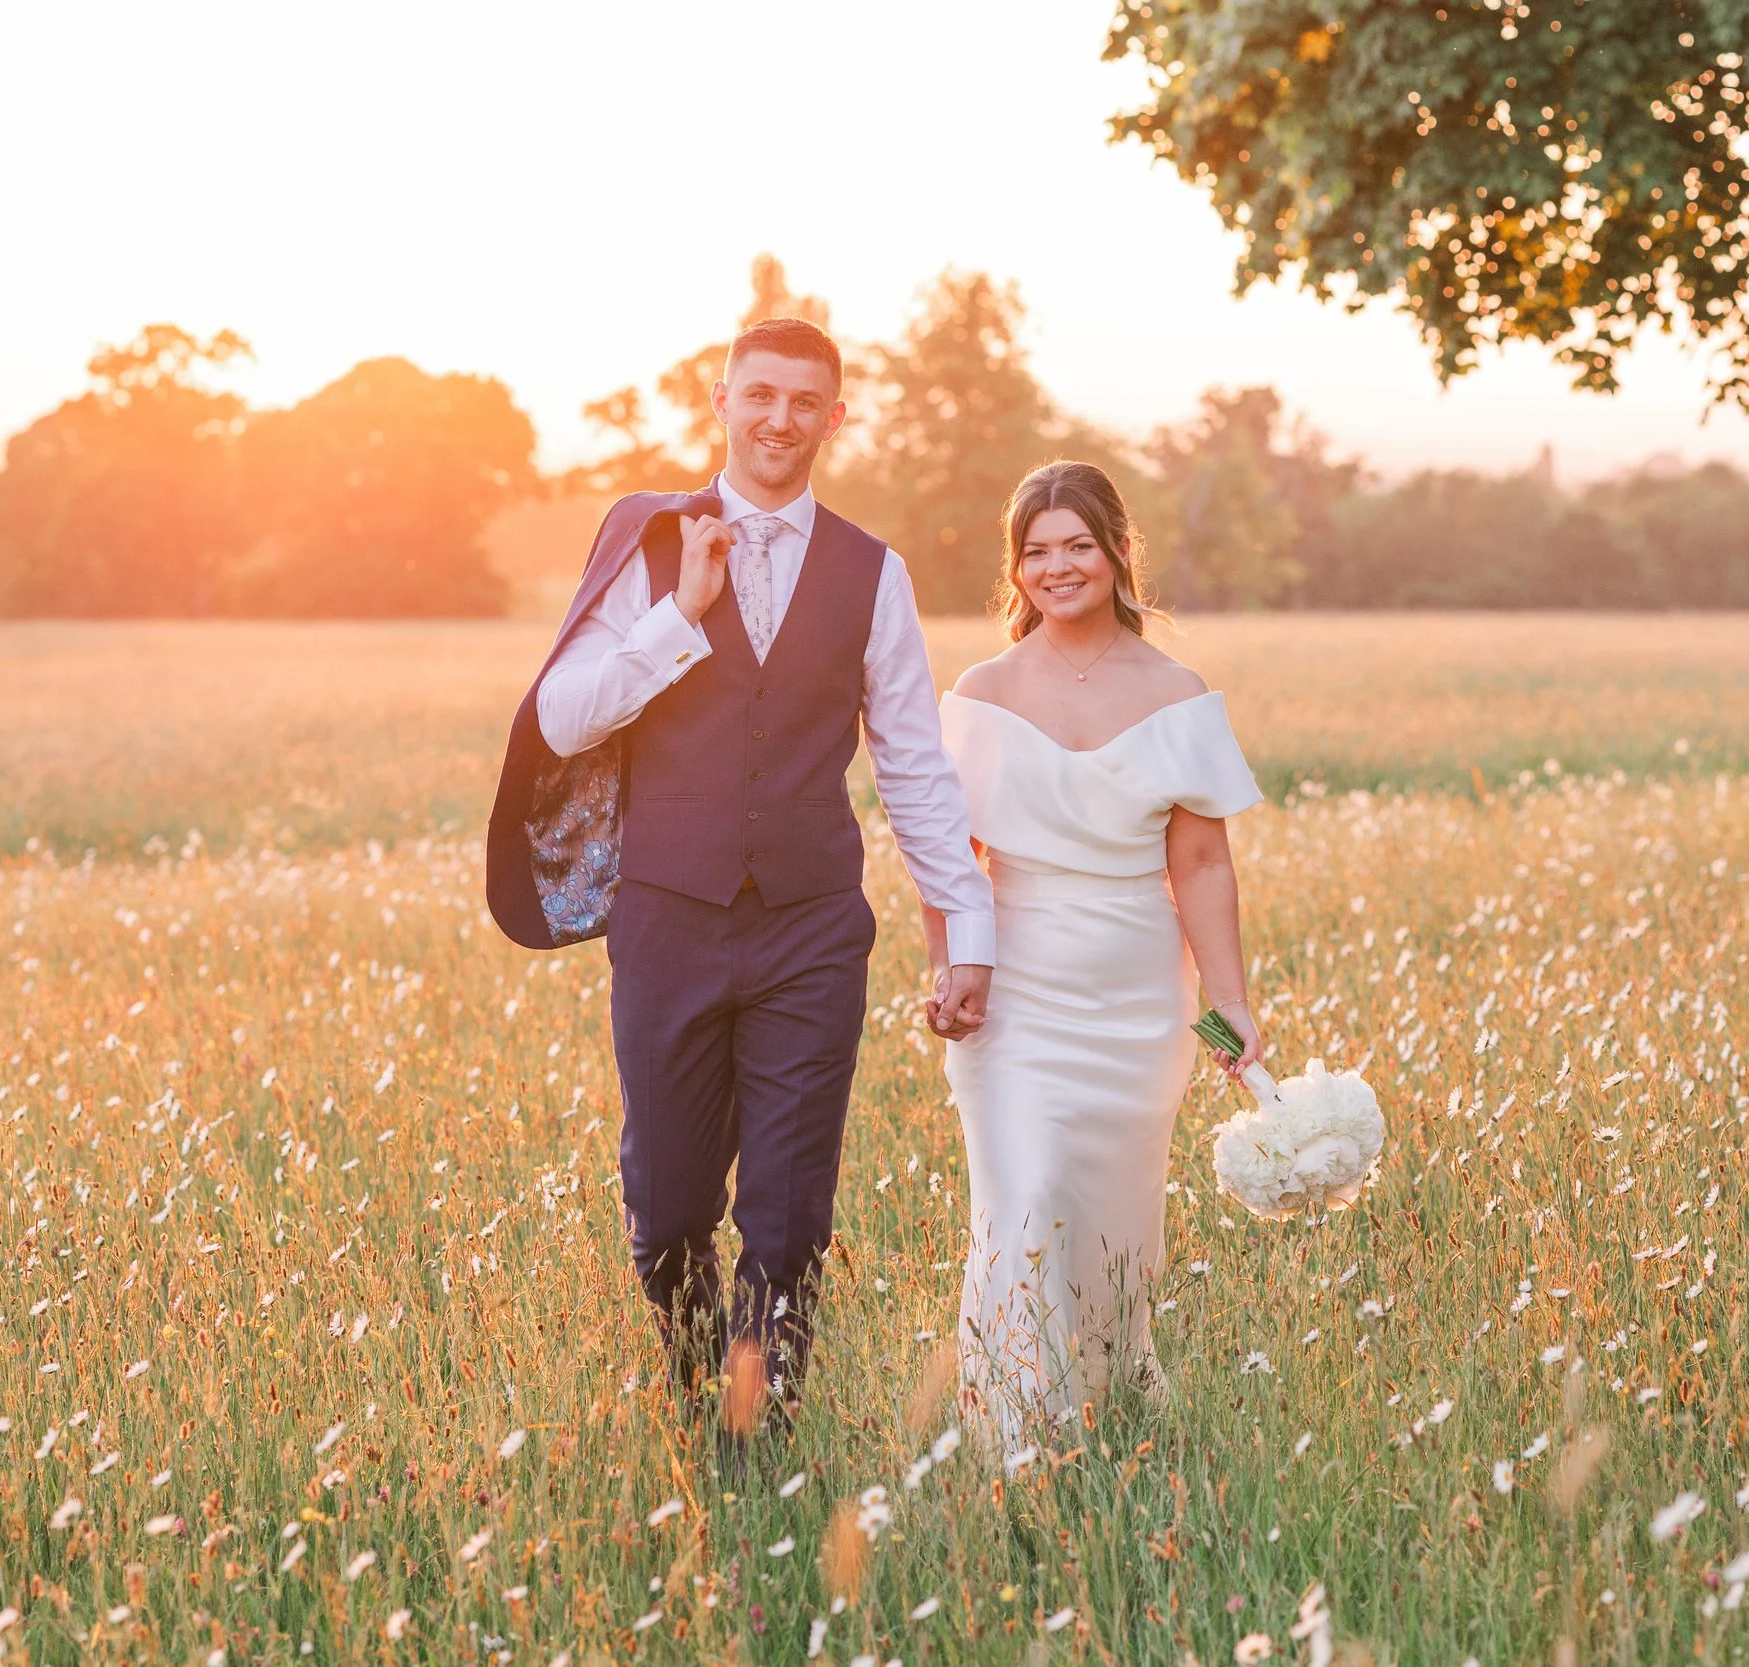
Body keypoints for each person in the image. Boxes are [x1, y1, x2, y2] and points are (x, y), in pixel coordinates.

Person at [484, 317, 996, 1433]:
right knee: (667, 1205)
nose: (779, 419)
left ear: (834, 416)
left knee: (789, 1209)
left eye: (804, 401)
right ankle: (693, 1379)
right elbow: (563, 717)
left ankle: (757, 1427)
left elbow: (912, 765)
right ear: (719, 400)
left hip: (812, 927)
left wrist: (969, 934)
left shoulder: (873, 571)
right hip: (668, 920)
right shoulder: (650, 541)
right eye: (758, 395)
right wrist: (682, 616)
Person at [930, 459, 1265, 1443]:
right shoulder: (982, 693)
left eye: (1078, 545)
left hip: (1134, 992)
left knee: (1113, 1220)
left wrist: (1229, 1002)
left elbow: (1201, 863)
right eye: (1035, 552)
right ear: (1015, 568)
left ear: (1119, 552)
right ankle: (1015, 1440)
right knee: (1023, 1191)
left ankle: (1112, 1395)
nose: (1057, 566)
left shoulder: (1175, 691)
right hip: (1013, 985)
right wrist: (954, 963)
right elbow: (948, 855)